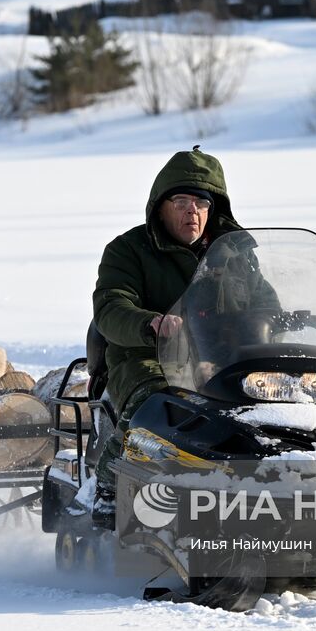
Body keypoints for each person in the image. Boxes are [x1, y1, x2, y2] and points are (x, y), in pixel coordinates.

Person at [90, 146, 241, 517]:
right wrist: (150, 323)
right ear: (160, 205)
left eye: (202, 202)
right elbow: (111, 307)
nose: (193, 210)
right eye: (182, 200)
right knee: (156, 405)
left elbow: (265, 303)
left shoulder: (237, 254)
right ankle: (107, 485)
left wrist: (295, 318)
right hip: (144, 356)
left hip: (224, 359)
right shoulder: (127, 250)